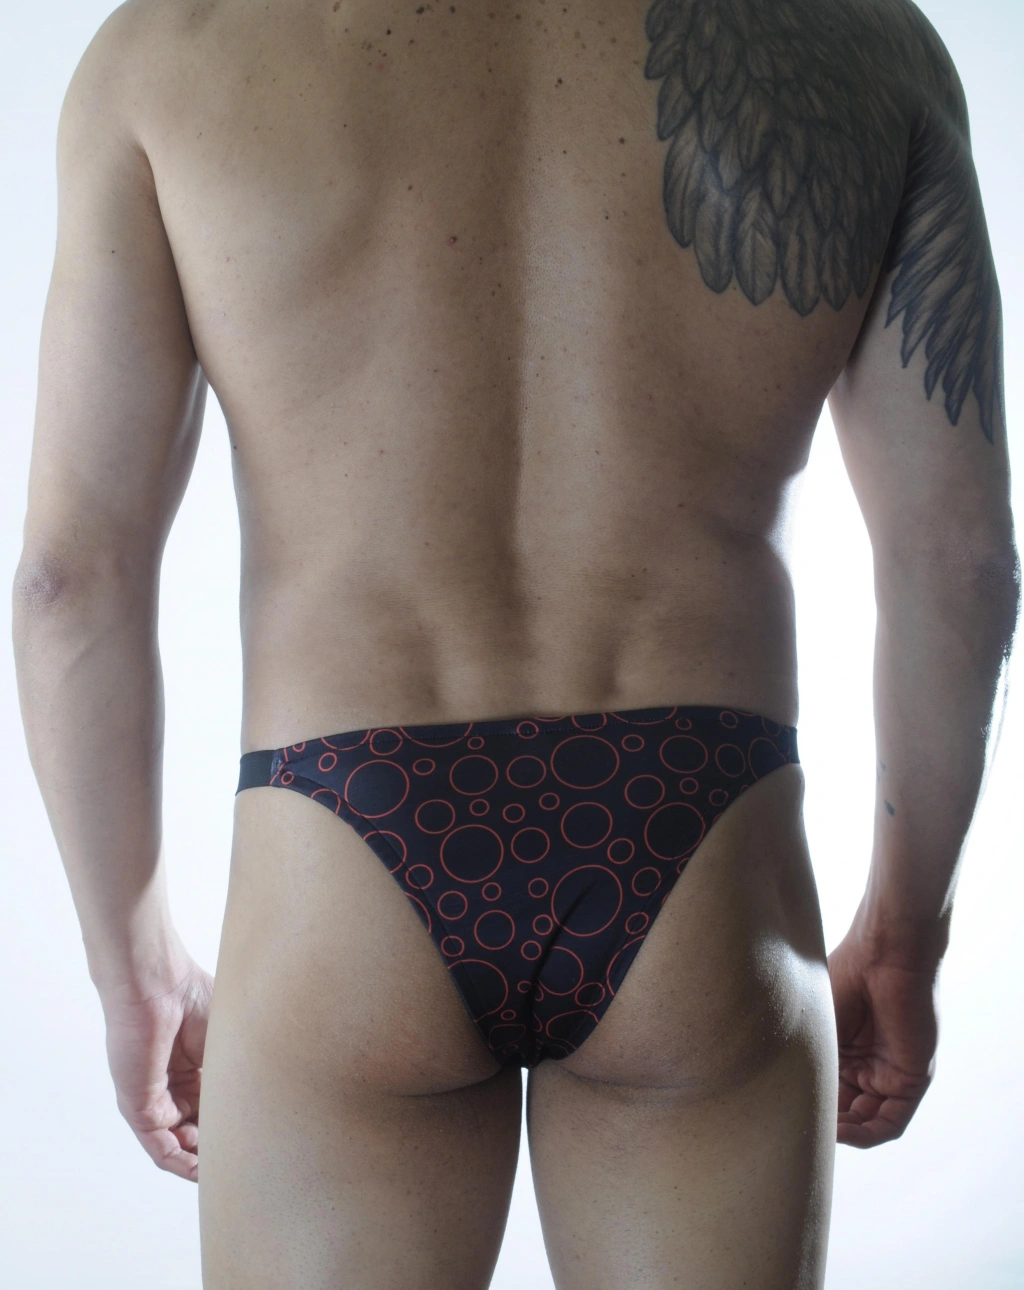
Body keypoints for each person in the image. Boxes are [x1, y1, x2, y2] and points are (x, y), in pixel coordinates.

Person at [12, 0, 1018, 1286]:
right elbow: (961, 564)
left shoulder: (171, 53)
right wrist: (907, 932)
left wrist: (132, 964)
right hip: (703, 849)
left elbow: (70, 581)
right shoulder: (862, 44)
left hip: (342, 863)